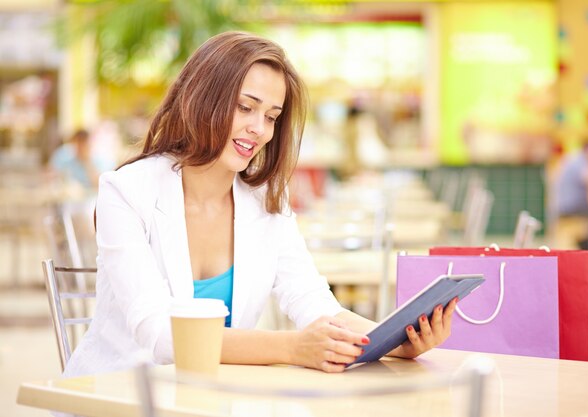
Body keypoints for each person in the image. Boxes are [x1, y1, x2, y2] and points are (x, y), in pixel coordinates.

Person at [63, 31, 457, 377]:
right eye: (245, 107)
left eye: (271, 116)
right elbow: (162, 334)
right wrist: (291, 348)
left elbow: (312, 302)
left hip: (213, 399)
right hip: (121, 398)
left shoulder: (266, 200)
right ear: (202, 99)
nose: (259, 129)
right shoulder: (126, 191)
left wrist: (391, 339)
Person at [554, 139, 588, 249]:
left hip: (565, 204)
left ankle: (586, 244)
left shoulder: (572, 158)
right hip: (571, 206)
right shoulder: (580, 161)